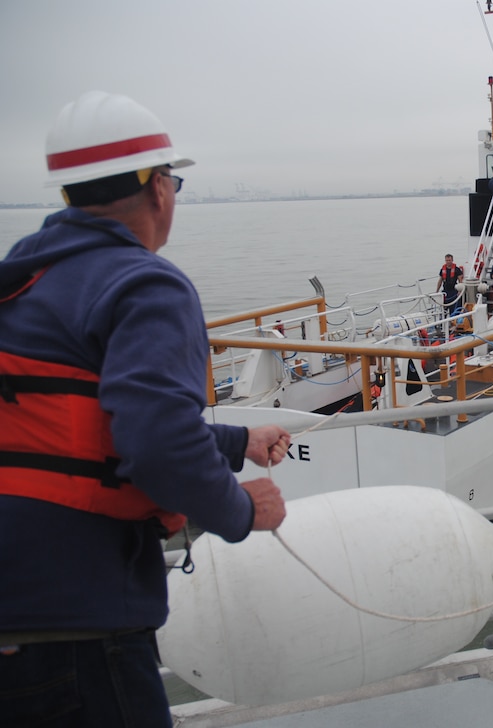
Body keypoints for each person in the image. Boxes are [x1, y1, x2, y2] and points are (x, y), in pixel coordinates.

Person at [0, 91, 290, 727]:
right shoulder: (144, 284)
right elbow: (156, 442)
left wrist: (238, 441)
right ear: (159, 189)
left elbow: (73, 426)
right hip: (75, 624)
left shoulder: (24, 281)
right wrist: (243, 510)